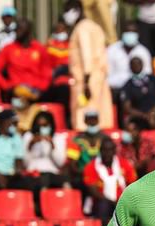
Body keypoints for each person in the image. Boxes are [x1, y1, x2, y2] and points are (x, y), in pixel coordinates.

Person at [67, 0, 114, 130]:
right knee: (99, 112)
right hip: (98, 75)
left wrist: (86, 82)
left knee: (84, 116)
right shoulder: (96, 27)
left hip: (86, 77)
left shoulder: (82, 28)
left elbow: (86, 53)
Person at [0, 18, 53, 102]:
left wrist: (40, 89)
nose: (16, 31)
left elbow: (47, 74)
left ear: (28, 31)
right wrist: (7, 86)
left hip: (37, 92)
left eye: (20, 29)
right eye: (16, 28)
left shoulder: (40, 49)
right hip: (15, 92)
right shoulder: (8, 49)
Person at [83, 136, 135, 220]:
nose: (107, 153)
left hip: (122, 202)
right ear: (100, 151)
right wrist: (112, 202)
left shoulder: (125, 164)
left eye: (110, 150)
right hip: (100, 204)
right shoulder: (91, 166)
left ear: (114, 151)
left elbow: (133, 186)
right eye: (104, 150)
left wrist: (122, 201)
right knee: (103, 205)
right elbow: (93, 191)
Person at [22, 109, 68, 191]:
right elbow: (25, 163)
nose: (41, 128)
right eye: (39, 126)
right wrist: (30, 145)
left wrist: (52, 145)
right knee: (40, 180)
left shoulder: (58, 138)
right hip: (34, 174)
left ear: (51, 125)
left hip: (52, 174)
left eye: (45, 125)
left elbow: (60, 163)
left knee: (63, 181)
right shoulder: (28, 136)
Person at [107, 21, 152, 105]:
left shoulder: (143, 52)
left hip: (135, 91)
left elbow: (147, 75)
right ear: (122, 33)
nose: (130, 34)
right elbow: (107, 74)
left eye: (133, 32)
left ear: (137, 34)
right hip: (115, 89)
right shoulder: (112, 50)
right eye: (127, 32)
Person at [67, 108, 104, 188]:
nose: (92, 122)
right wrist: (86, 172)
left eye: (94, 119)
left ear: (98, 120)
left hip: (102, 175)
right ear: (85, 121)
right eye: (89, 120)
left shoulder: (105, 139)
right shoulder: (77, 140)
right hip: (82, 175)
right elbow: (72, 164)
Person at [120, 56, 155, 125]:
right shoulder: (127, 85)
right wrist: (144, 116)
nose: (136, 66)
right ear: (130, 67)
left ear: (142, 65)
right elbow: (127, 108)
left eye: (138, 64)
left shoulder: (153, 79)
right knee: (128, 122)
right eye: (134, 65)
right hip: (140, 117)